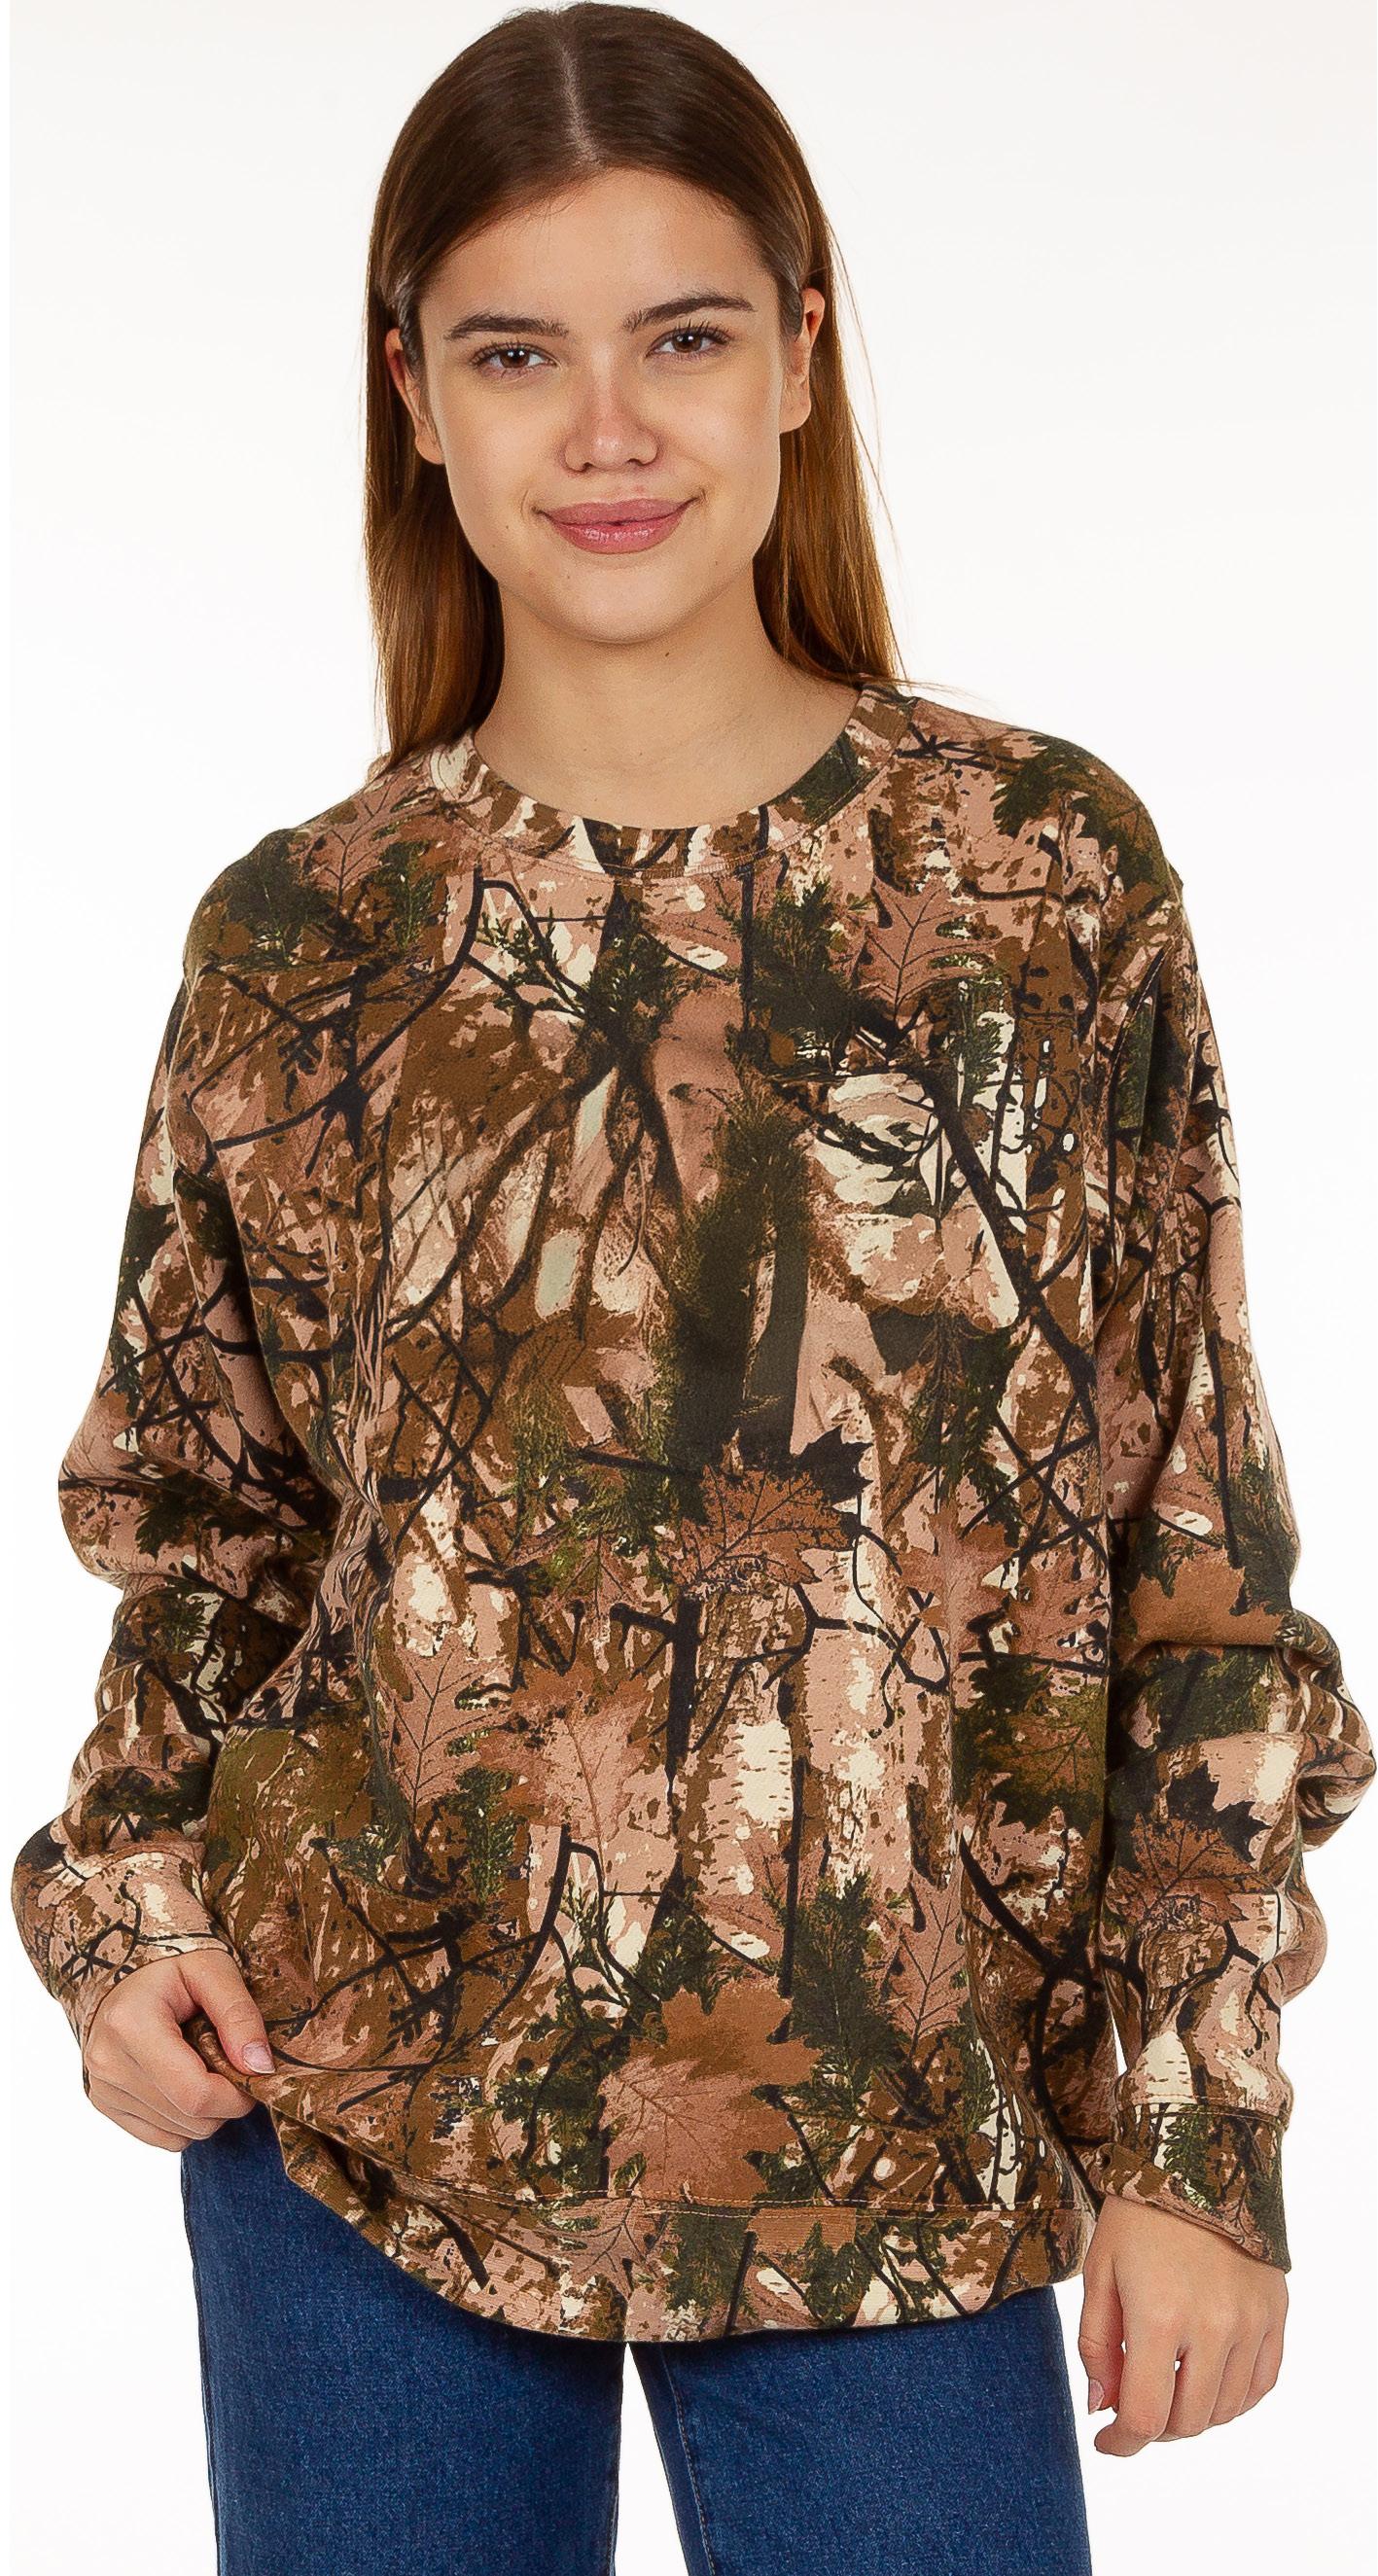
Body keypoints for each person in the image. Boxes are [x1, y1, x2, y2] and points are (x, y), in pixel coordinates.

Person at [12, 9, 1374, 2573]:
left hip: (894, 2122)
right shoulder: (307, 939)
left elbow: (1190, 1547)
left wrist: (1192, 2124)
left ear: (802, 357)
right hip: (357, 2128)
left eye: (684, 337)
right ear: (415, 399)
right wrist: (120, 1914)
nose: (608, 430)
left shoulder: (1035, 883)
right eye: (518, 354)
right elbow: (209, 1527)